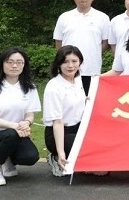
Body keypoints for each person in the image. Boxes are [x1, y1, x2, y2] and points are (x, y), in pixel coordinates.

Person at [0, 47, 41, 187]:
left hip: (17, 134)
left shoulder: (30, 88)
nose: (14, 65)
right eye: (10, 62)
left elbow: (30, 115)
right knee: (11, 134)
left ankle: (7, 159)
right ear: (2, 64)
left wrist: (26, 123)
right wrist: (16, 126)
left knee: (31, 157)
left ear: (24, 65)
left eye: (19, 62)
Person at [53, 0, 110, 94]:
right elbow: (58, 42)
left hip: (92, 69)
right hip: (69, 69)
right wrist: (65, 59)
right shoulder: (64, 17)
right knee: (68, 99)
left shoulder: (102, 18)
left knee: (89, 100)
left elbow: (106, 42)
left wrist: (93, 52)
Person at [43, 45, 86, 177]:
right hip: (59, 132)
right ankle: (56, 157)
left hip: (78, 128)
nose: (70, 65)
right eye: (65, 62)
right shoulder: (54, 87)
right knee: (84, 151)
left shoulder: (79, 81)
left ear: (80, 62)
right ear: (59, 64)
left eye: (74, 61)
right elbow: (57, 122)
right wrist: (61, 152)